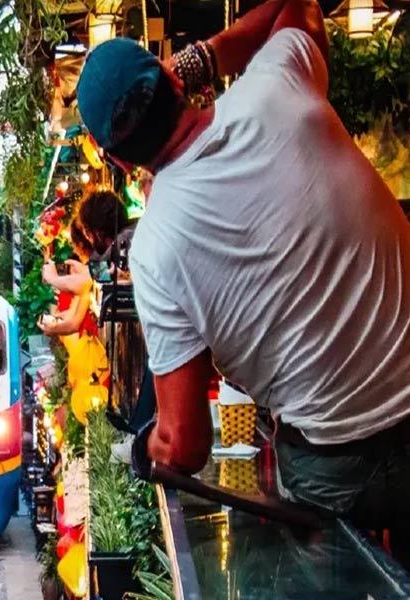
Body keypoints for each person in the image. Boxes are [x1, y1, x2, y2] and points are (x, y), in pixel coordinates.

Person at [75, 0, 410, 566]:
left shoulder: (155, 251)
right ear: (173, 80)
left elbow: (184, 444)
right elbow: (299, 8)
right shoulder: (277, 84)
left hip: (338, 468)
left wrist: (143, 446)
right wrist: (205, 57)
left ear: (118, 161)